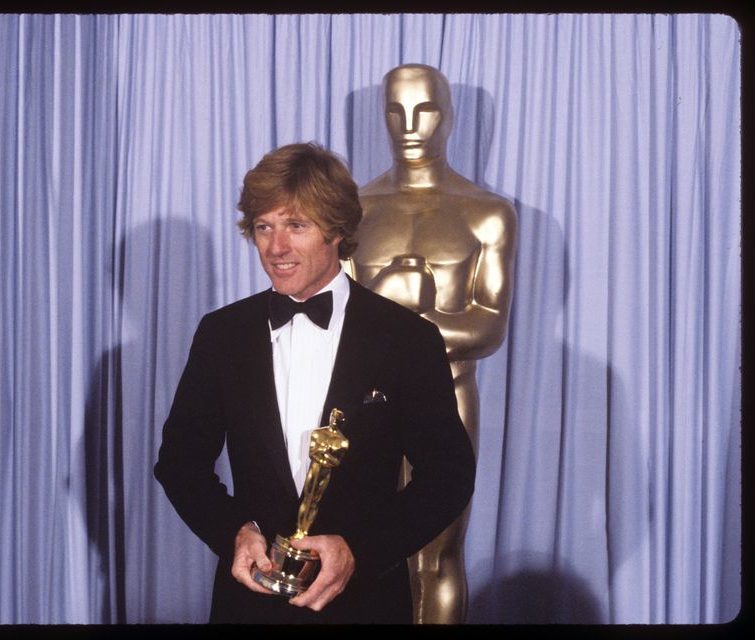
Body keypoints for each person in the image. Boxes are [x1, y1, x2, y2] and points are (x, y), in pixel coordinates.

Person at [154, 142, 475, 624]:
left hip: (365, 607)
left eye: (296, 226)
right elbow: (180, 462)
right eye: (264, 227)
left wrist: (360, 552)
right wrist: (235, 533)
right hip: (250, 608)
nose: (276, 247)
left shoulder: (407, 338)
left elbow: (449, 475)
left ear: (337, 230)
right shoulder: (223, 333)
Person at [350, 64, 517, 623]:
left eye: (425, 110)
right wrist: (404, 303)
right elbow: (340, 321)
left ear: (450, 115)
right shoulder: (355, 209)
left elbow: (489, 328)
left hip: (447, 399)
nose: (410, 126)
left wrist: (395, 311)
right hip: (363, 405)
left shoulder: (487, 213)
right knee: (361, 550)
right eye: (396, 111)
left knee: (436, 557)